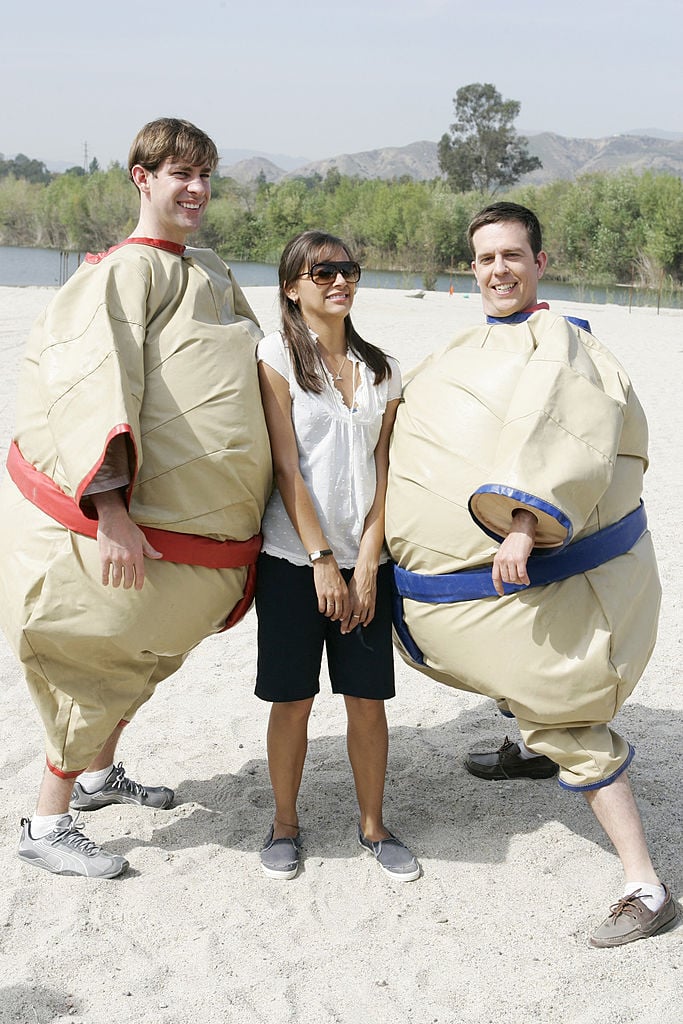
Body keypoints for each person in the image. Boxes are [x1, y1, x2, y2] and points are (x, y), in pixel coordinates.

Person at [386, 202, 676, 945]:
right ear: (471, 267)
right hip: (487, 587)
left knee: (565, 712)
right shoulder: (469, 343)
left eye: (512, 255)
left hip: (544, 563)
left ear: (539, 263)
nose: (498, 270)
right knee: (510, 653)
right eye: (485, 258)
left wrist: (522, 524)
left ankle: (644, 887)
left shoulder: (562, 344)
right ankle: (525, 752)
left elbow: (559, 429)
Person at [0, 117, 272, 878]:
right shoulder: (125, 273)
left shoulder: (208, 269)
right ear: (142, 178)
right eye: (181, 173)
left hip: (198, 533)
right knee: (103, 660)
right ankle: (46, 824)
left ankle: (97, 779)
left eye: (206, 174)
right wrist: (111, 512)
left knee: (146, 657)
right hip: (135, 525)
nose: (197, 189)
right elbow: (94, 386)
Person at [255, 230, 419, 883]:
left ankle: (373, 826)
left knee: (367, 700)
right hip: (292, 561)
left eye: (347, 269)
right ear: (292, 287)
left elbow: (385, 469)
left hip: (367, 564)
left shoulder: (384, 369)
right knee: (292, 700)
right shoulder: (276, 355)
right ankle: (284, 824)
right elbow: (286, 466)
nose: (339, 281)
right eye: (321, 273)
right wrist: (322, 559)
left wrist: (368, 562)